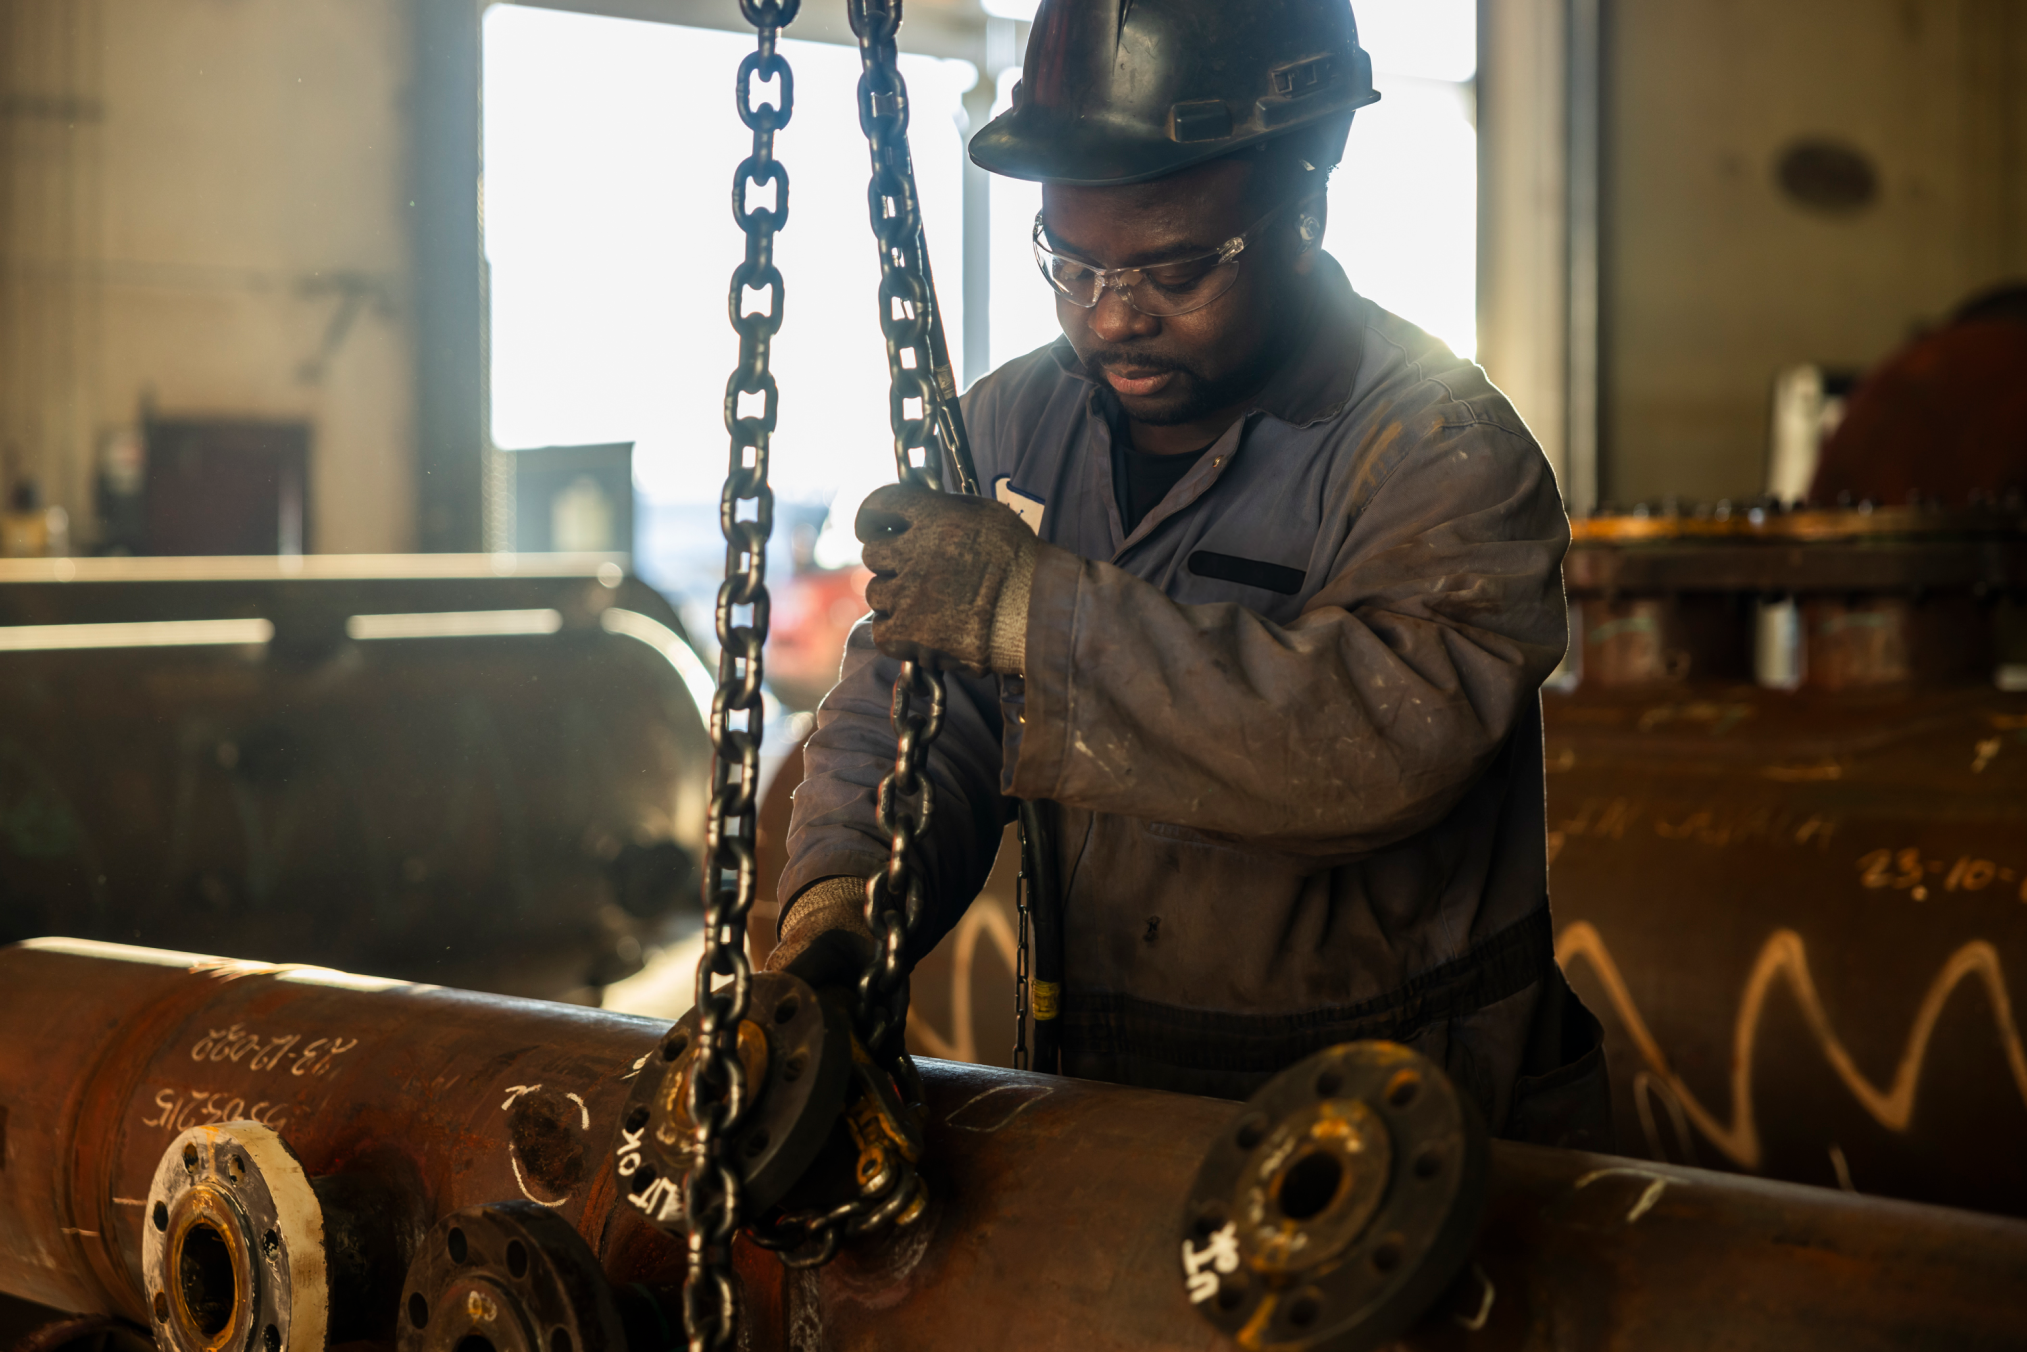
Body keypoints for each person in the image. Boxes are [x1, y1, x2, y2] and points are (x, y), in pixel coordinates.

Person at [770, 0, 1609, 1148]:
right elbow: (921, 709)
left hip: (1409, 1119)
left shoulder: (1439, 450)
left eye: (1173, 268)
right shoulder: (1012, 422)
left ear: (1301, 208)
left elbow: (1371, 746)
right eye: (1069, 264)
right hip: (1110, 1095)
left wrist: (1031, 612)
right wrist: (840, 922)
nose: (1112, 315)